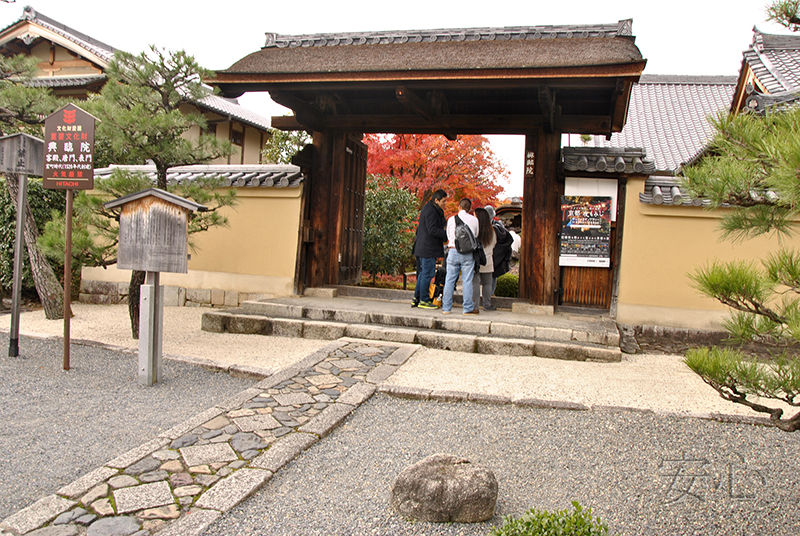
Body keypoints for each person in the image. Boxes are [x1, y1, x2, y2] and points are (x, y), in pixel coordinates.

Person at [442, 198, 479, 315]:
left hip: (453, 250)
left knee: (449, 280)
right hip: (467, 252)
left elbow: (448, 235)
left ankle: (446, 308)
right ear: (469, 208)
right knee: (467, 281)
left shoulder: (451, 219)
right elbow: (475, 235)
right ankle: (467, 308)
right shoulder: (474, 220)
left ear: (459, 206)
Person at [412, 189, 447, 309]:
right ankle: (424, 300)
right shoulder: (432, 211)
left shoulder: (428, 208)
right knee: (427, 274)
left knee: (422, 274)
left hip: (422, 247)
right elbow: (432, 229)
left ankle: (416, 298)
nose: (445, 203)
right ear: (436, 200)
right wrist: (446, 234)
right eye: (443, 201)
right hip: (428, 248)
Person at [472, 207, 496, 311]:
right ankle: (487, 305)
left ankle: (475, 306)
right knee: (487, 284)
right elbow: (494, 244)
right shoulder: (492, 231)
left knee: (475, 283)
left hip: (476, 260)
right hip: (488, 260)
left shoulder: (475, 230)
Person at [486, 205, 513, 294]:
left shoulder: (483, 227)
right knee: (493, 277)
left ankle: (483, 299)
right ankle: (490, 295)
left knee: (481, 278)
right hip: (498, 256)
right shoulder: (500, 227)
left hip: (486, 255)